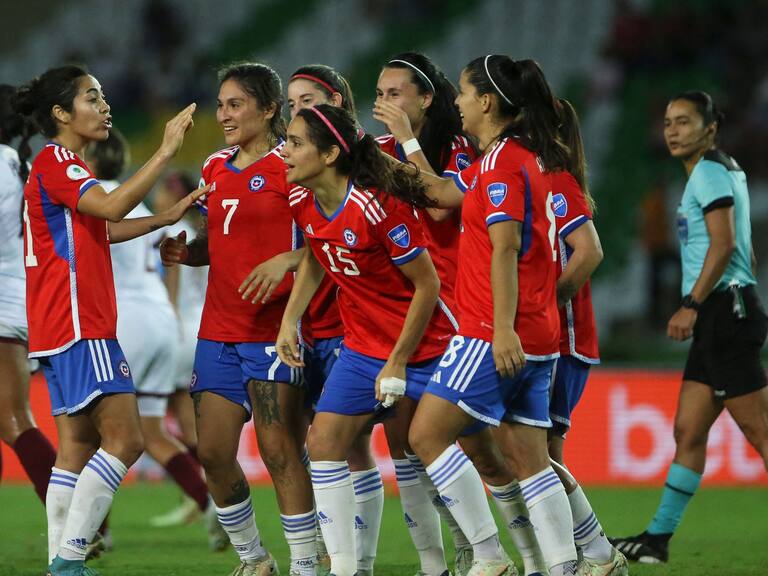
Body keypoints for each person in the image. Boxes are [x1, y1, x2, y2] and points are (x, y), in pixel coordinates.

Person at [15, 64, 201, 576]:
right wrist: (165, 151)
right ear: (60, 114)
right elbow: (112, 204)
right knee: (128, 440)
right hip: (80, 322)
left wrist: (163, 217)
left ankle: (62, 560)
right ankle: (70, 560)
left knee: (76, 446)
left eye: (102, 97)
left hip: (56, 324)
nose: (104, 106)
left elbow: (104, 229)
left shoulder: (56, 167)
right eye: (92, 98)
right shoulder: (60, 162)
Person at [405, 56, 583, 576]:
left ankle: (487, 555)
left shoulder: (503, 163)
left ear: (486, 101)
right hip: (536, 331)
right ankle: (563, 565)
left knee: (426, 435)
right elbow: (439, 193)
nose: (456, 102)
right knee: (531, 461)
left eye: (462, 93)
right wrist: (381, 154)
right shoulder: (511, 157)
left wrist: (502, 329)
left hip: (492, 330)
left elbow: (504, 248)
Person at [373, 53, 539, 576]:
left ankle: (528, 557)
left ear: (427, 98)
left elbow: (441, 205)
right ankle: (461, 554)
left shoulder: (468, 150)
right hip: (410, 316)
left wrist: (406, 142)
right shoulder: (378, 151)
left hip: (460, 313)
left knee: (492, 451)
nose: (384, 103)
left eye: (395, 93)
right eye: (378, 93)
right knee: (410, 444)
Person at [275, 104, 456, 576]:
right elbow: (318, 250)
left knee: (466, 455)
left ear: (332, 152)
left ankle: (474, 558)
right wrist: (289, 320)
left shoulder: (377, 205)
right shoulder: (302, 200)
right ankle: (345, 569)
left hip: (420, 346)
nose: (285, 152)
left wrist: (397, 361)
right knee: (325, 444)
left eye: (295, 143)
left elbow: (428, 285)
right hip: (361, 346)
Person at [160, 62, 315, 576]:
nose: (223, 115)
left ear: (269, 109)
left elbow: (323, 244)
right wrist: (190, 252)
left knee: (280, 450)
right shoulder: (213, 167)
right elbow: (219, 240)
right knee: (213, 453)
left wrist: (286, 264)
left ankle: (308, 563)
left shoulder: (293, 167)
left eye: (235, 105)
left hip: (276, 330)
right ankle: (254, 559)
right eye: (221, 104)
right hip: (217, 332)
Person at [611, 91, 768, 564]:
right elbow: (745, 247)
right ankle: (657, 539)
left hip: (725, 312)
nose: (673, 130)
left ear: (711, 128)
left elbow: (721, 246)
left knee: (760, 433)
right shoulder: (724, 170)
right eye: (668, 122)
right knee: (688, 429)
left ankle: (657, 537)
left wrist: (691, 304)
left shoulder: (708, 173)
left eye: (684, 122)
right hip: (728, 311)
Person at [86, 130, 226, 551]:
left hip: (126, 320)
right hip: (163, 321)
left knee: (93, 433)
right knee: (150, 432)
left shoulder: (96, 201)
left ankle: (96, 531)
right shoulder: (139, 201)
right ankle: (212, 505)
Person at [546, 99, 627, 575]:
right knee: (530, 452)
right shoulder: (535, 180)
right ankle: (578, 553)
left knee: (537, 454)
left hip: (561, 341)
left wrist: (550, 301)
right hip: (547, 339)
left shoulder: (558, 183)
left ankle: (591, 551)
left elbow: (589, 251)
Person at [0, 84, 57, 504]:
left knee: (14, 418)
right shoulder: (22, 166)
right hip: (20, 296)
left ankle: (80, 519)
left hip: (2, 303)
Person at [149, 170, 210, 527]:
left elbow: (170, 289)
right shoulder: (200, 231)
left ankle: (206, 491)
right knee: (188, 419)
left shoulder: (171, 234)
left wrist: (167, 326)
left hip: (179, 327)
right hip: (201, 323)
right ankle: (200, 492)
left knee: (182, 422)